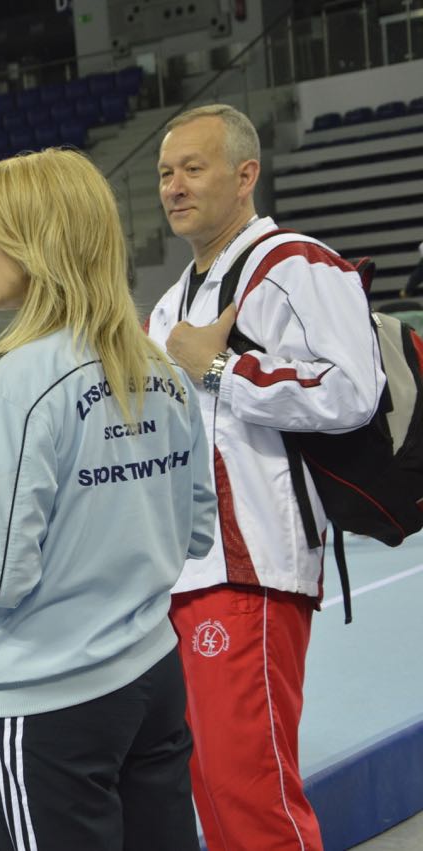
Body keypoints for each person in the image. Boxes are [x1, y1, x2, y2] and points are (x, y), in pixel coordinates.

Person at [0, 148, 214, 850]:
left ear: (36, 244)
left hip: (50, 694)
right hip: (151, 673)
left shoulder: (14, 383)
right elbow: (197, 529)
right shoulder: (160, 367)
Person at [148, 104, 384, 850]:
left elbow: (353, 390)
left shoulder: (295, 266)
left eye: (193, 168)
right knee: (214, 793)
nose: (174, 186)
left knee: (251, 795)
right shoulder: (170, 301)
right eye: (165, 172)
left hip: (251, 564)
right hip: (183, 570)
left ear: (245, 174)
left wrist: (221, 367)